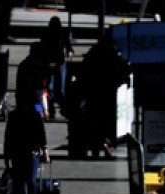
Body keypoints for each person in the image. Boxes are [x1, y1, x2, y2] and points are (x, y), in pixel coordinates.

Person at [78, 29, 131, 158]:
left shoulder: (93, 53)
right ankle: (106, 143)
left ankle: (96, 147)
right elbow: (123, 71)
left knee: (94, 120)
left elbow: (84, 71)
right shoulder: (114, 53)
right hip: (109, 93)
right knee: (108, 121)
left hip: (94, 93)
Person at [4, 100, 49, 194]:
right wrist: (7, 156)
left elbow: (41, 132)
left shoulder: (34, 115)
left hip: (30, 152)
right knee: (22, 183)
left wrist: (45, 149)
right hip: (19, 153)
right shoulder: (15, 116)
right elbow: (8, 137)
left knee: (30, 182)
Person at [38, 15, 74, 118]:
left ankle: (51, 109)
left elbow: (42, 47)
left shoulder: (49, 33)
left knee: (51, 87)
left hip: (53, 62)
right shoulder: (61, 33)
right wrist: (69, 53)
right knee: (55, 87)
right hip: (56, 62)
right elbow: (68, 46)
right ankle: (57, 109)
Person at [15, 41, 50, 118]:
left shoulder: (26, 64)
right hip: (32, 91)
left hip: (34, 90)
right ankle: (41, 112)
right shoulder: (30, 65)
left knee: (38, 100)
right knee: (37, 101)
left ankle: (42, 112)